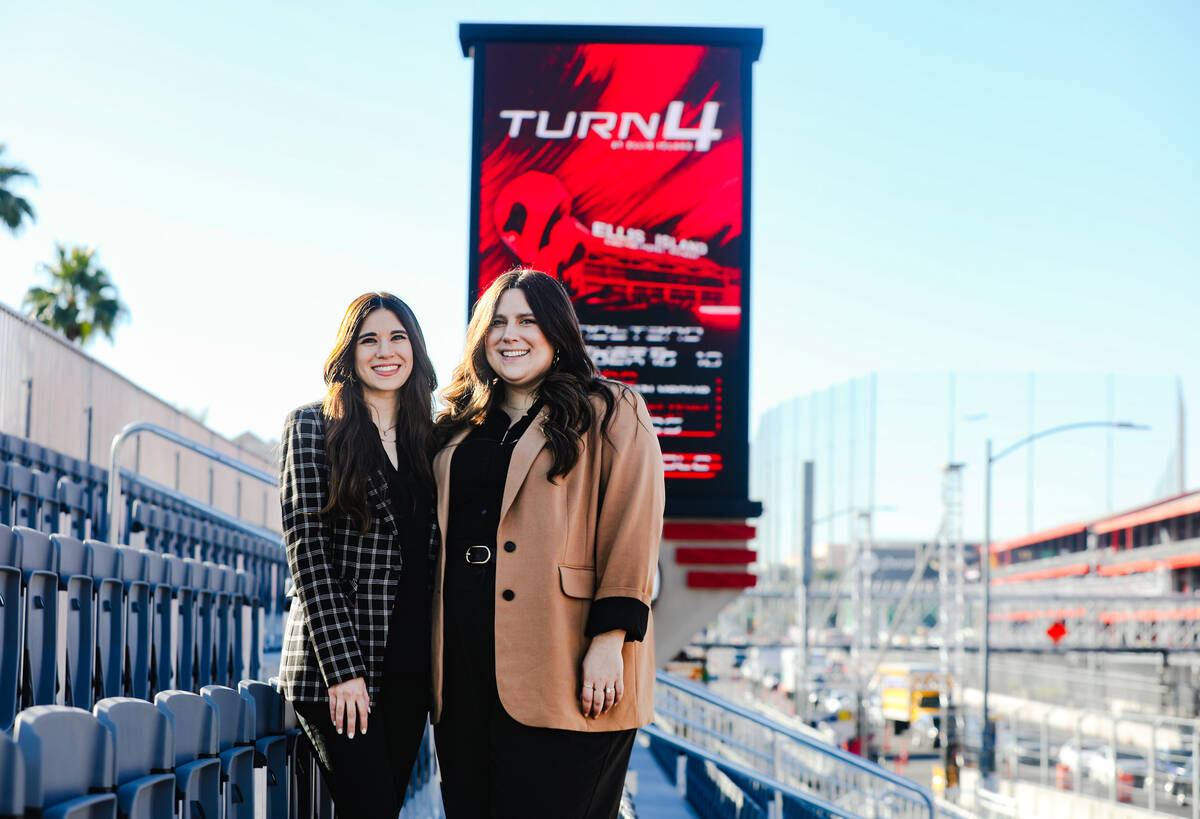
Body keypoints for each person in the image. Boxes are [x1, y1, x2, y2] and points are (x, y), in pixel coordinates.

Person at [431, 269, 664, 818]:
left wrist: (610, 642)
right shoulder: (455, 429)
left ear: (557, 331)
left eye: (527, 321)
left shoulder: (609, 409)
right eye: (499, 323)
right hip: (464, 674)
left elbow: (633, 527)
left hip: (568, 663)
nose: (511, 335)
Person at [277, 292, 437, 818]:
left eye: (398, 337)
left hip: (410, 671)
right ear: (350, 352)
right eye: (369, 339)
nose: (385, 351)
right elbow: (308, 553)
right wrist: (344, 672)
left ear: (415, 348)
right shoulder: (312, 426)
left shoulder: (430, 442)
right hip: (340, 671)